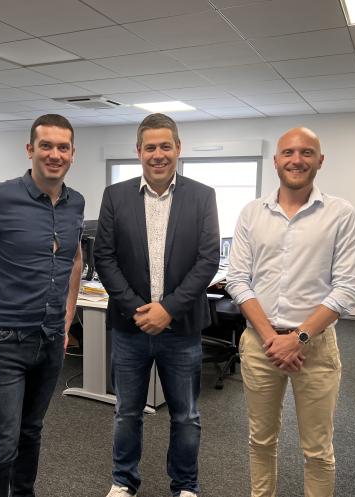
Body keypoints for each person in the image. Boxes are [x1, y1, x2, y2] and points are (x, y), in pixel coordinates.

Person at [0, 114, 84, 497]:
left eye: (62, 147)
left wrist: (68, 315)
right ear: (30, 150)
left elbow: (74, 259)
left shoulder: (75, 203)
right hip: (2, 341)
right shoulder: (0, 197)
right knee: (2, 444)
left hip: (51, 338)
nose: (54, 154)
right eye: (46, 146)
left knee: (31, 432)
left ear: (72, 153)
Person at [225, 127, 355, 497]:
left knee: (317, 451)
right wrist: (273, 339)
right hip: (261, 343)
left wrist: (298, 338)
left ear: (320, 160)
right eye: (288, 153)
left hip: (314, 347)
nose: (296, 160)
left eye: (306, 152)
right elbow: (238, 280)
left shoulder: (340, 213)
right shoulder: (252, 213)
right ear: (276, 161)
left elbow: (347, 287)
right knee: (260, 440)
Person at [94, 113, 220, 497]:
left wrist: (168, 309)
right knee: (126, 413)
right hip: (131, 329)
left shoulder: (202, 195)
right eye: (150, 147)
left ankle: (184, 486)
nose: (158, 154)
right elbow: (105, 257)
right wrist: (138, 309)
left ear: (178, 149)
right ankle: (123, 481)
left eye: (166, 146)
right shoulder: (116, 196)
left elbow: (208, 259)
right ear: (138, 152)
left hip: (181, 330)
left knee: (186, 416)